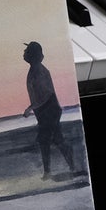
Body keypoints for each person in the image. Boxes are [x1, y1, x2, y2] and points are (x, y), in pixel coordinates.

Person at [21, 41, 75, 179]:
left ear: (32, 55)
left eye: (26, 51)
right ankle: (69, 167)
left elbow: (46, 94)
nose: (24, 53)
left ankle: (49, 172)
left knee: (46, 140)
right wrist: (33, 107)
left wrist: (30, 108)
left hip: (49, 110)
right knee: (56, 139)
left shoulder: (39, 70)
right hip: (45, 111)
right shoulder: (34, 70)